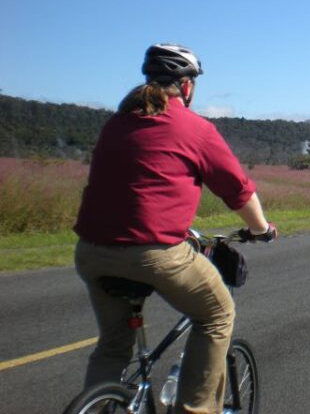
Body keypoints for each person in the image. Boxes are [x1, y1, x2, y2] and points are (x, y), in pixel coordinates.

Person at [73, 43, 277, 414]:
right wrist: (262, 228)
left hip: (91, 251)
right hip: (154, 253)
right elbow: (237, 190)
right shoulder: (194, 128)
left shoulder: (116, 123)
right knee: (217, 315)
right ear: (186, 86)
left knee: (113, 346)